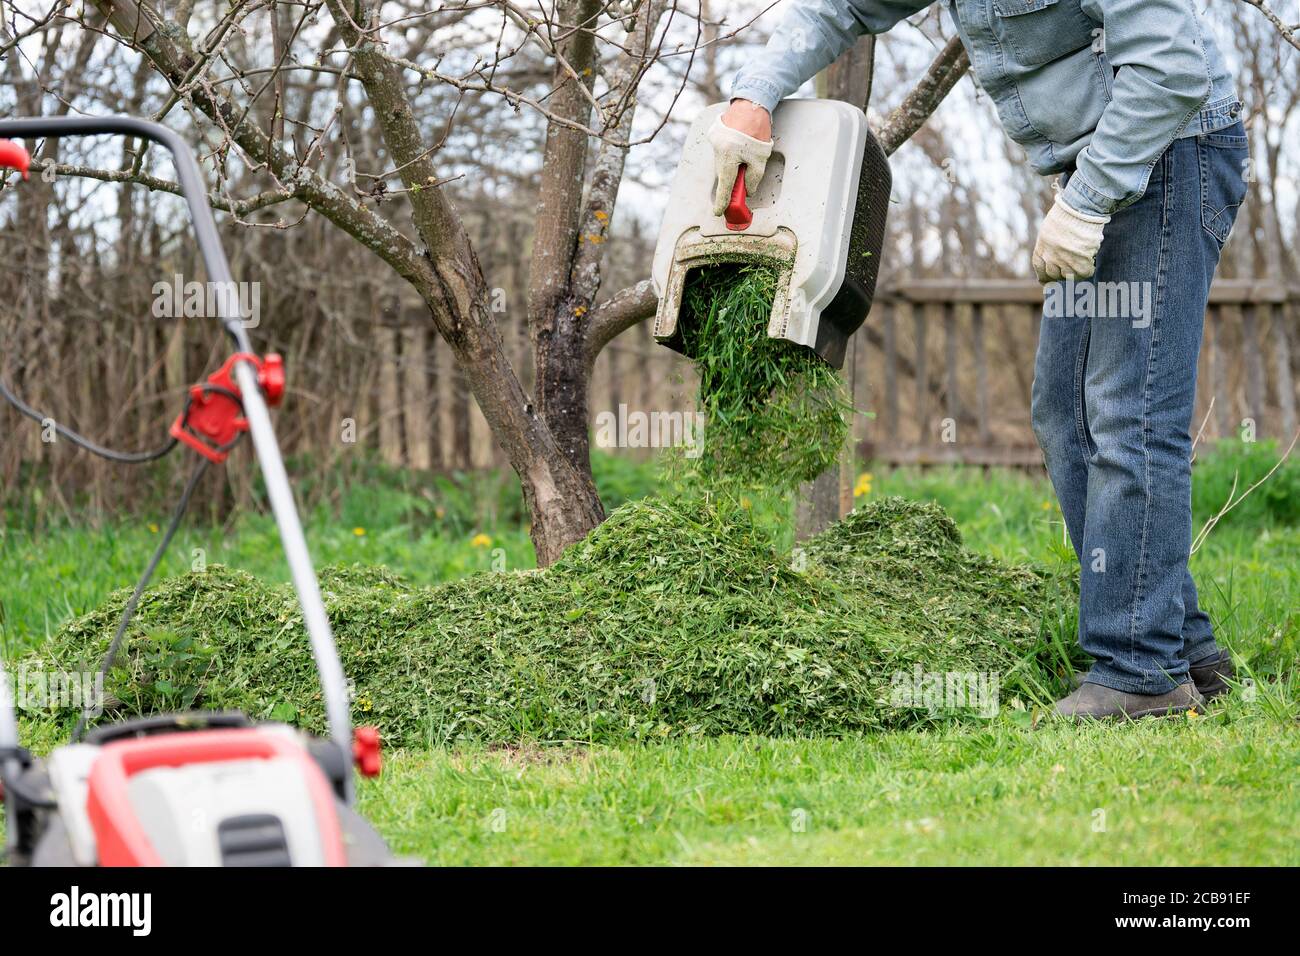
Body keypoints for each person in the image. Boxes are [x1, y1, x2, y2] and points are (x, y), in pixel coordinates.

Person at [713, 0, 1248, 718]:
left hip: (1166, 152)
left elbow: (1169, 67)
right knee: (1065, 415)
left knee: (1130, 413)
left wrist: (1087, 201)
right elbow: (841, 7)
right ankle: (1185, 649)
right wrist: (754, 95)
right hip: (1102, 161)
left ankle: (1139, 670)